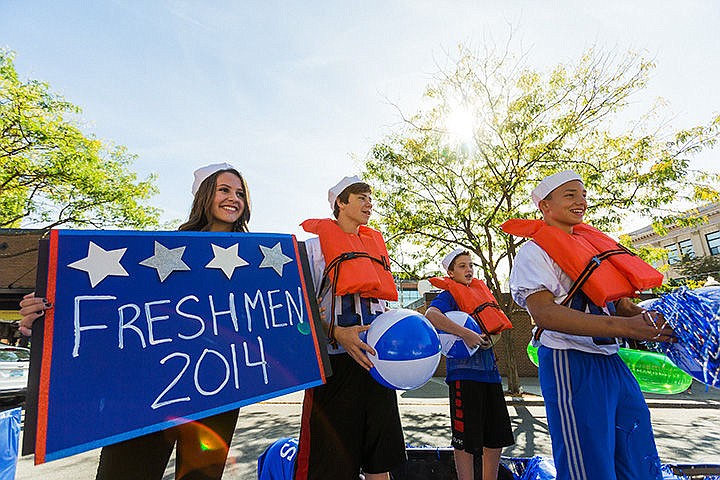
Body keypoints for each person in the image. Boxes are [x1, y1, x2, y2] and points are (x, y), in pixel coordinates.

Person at [19, 162, 250, 480]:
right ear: (204, 196)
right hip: (149, 388)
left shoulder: (255, 263)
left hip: (218, 385)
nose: (233, 198)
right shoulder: (160, 254)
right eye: (224, 190)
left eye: (240, 193)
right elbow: (109, 311)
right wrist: (47, 316)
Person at [502, 170, 675, 480]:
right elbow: (544, 313)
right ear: (545, 206)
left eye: (582, 194)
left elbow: (619, 304)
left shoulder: (593, 246)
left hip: (612, 362)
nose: (580, 201)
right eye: (570, 195)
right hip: (570, 362)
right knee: (588, 465)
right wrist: (627, 328)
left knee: (638, 453)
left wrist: (653, 321)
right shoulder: (533, 252)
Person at [294, 176, 406, 480]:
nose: (369, 203)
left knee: (379, 461)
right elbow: (298, 313)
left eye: (370, 197)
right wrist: (335, 331)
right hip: (335, 366)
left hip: (376, 365)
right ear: (340, 203)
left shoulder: (376, 248)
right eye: (361, 197)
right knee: (330, 464)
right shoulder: (313, 250)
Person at [424, 248, 514, 480]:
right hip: (464, 377)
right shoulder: (449, 295)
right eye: (462, 266)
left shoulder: (480, 293)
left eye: (470, 265)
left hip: (490, 376)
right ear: (451, 272)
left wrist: (488, 339)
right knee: (465, 440)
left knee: (495, 438)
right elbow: (431, 315)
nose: (469, 270)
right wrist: (466, 334)